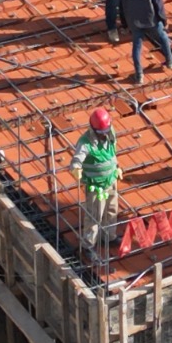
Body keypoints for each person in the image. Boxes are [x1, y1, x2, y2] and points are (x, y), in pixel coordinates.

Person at [69, 108, 121, 259]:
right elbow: (77, 160)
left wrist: (117, 168)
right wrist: (76, 169)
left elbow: (112, 153)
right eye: (101, 132)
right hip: (96, 186)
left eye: (106, 130)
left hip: (111, 180)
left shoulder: (111, 134)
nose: (104, 134)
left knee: (111, 210)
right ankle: (88, 245)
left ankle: (108, 236)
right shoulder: (85, 143)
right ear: (94, 129)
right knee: (94, 216)